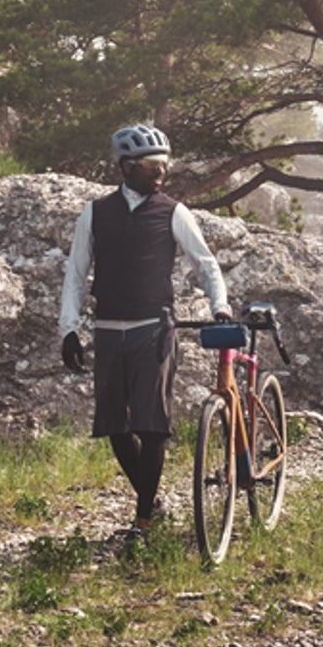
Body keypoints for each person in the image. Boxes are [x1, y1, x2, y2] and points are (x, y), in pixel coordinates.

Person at [57, 122, 229, 533]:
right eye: (153, 164)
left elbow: (206, 265)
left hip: (154, 329)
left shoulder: (174, 211)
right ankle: (151, 500)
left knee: (152, 427)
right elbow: (76, 276)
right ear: (127, 165)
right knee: (116, 429)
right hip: (108, 329)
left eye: (165, 164)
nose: (161, 172)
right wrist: (69, 329)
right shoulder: (94, 212)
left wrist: (219, 305)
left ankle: (144, 520)